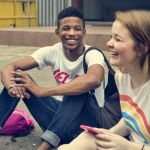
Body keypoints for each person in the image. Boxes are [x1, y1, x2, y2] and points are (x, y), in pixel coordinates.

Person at [0, 7, 105, 150]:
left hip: (86, 126)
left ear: (84, 32)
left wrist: (42, 91)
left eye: (77, 29)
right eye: (66, 28)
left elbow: (94, 79)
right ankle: (52, 137)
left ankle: (45, 146)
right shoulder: (52, 52)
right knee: (18, 78)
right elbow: (9, 68)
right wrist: (11, 88)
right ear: (58, 32)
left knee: (77, 87)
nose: (72, 33)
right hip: (58, 121)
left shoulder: (93, 54)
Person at [57, 9, 150, 150]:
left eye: (118, 39)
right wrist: (108, 133)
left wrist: (128, 147)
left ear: (141, 48)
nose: (109, 43)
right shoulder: (122, 77)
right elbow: (130, 119)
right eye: (111, 37)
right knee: (75, 143)